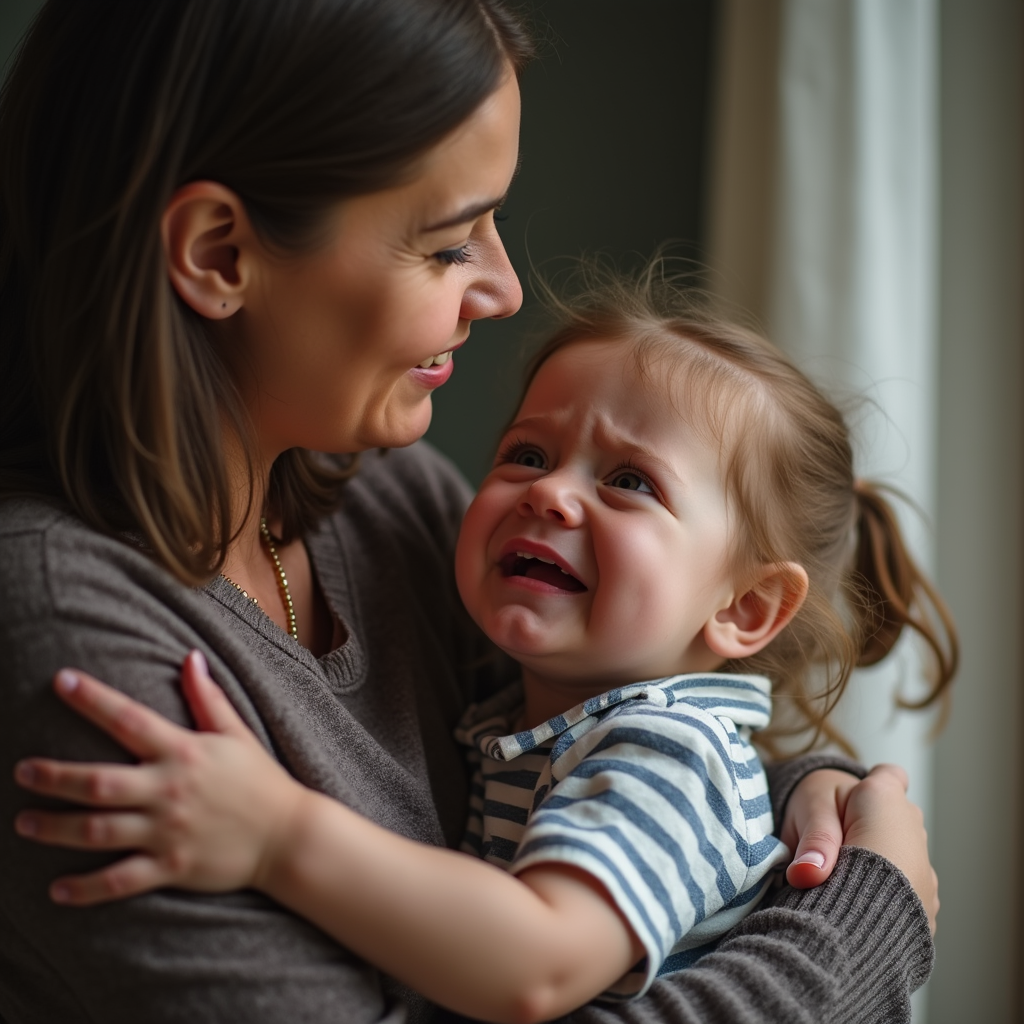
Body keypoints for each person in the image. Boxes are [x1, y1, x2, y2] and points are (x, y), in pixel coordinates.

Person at [0, 1, 941, 1022]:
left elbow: (639, 710)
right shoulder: (61, 623)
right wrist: (863, 921)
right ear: (222, 253)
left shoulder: (378, 500)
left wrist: (817, 795)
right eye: (449, 242)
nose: (498, 287)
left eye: (628, 481)